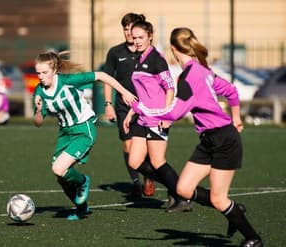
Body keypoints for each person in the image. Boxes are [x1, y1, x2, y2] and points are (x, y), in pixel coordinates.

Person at [125, 27, 263, 247]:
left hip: (224, 140)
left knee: (218, 199)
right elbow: (231, 92)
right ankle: (233, 209)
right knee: (183, 189)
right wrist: (236, 117)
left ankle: (253, 237)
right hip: (208, 140)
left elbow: (174, 113)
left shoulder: (189, 77)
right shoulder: (202, 71)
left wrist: (139, 108)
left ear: (173, 49)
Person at [33, 51, 136, 221]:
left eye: (44, 73)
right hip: (65, 133)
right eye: (38, 73)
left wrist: (123, 92)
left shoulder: (67, 81)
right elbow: (38, 122)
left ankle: (82, 182)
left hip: (83, 128)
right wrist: (38, 109)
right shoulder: (39, 91)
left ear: (55, 70)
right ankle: (82, 208)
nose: (41, 77)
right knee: (61, 178)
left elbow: (102, 75)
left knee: (58, 168)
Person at [122, 20, 192, 213]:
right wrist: (130, 113)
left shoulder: (156, 59)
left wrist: (168, 115)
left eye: (140, 37)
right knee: (134, 161)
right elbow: (142, 93)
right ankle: (176, 187)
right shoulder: (138, 59)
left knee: (157, 161)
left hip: (157, 118)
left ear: (150, 36)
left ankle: (182, 196)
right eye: (134, 37)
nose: (136, 41)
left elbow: (170, 88)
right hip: (142, 117)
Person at [103, 13, 156, 197]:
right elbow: (107, 79)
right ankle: (135, 183)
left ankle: (149, 177)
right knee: (128, 146)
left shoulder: (148, 53)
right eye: (125, 28)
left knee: (145, 146)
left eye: (131, 28)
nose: (128, 32)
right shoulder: (115, 52)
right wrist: (108, 104)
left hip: (145, 107)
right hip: (123, 106)